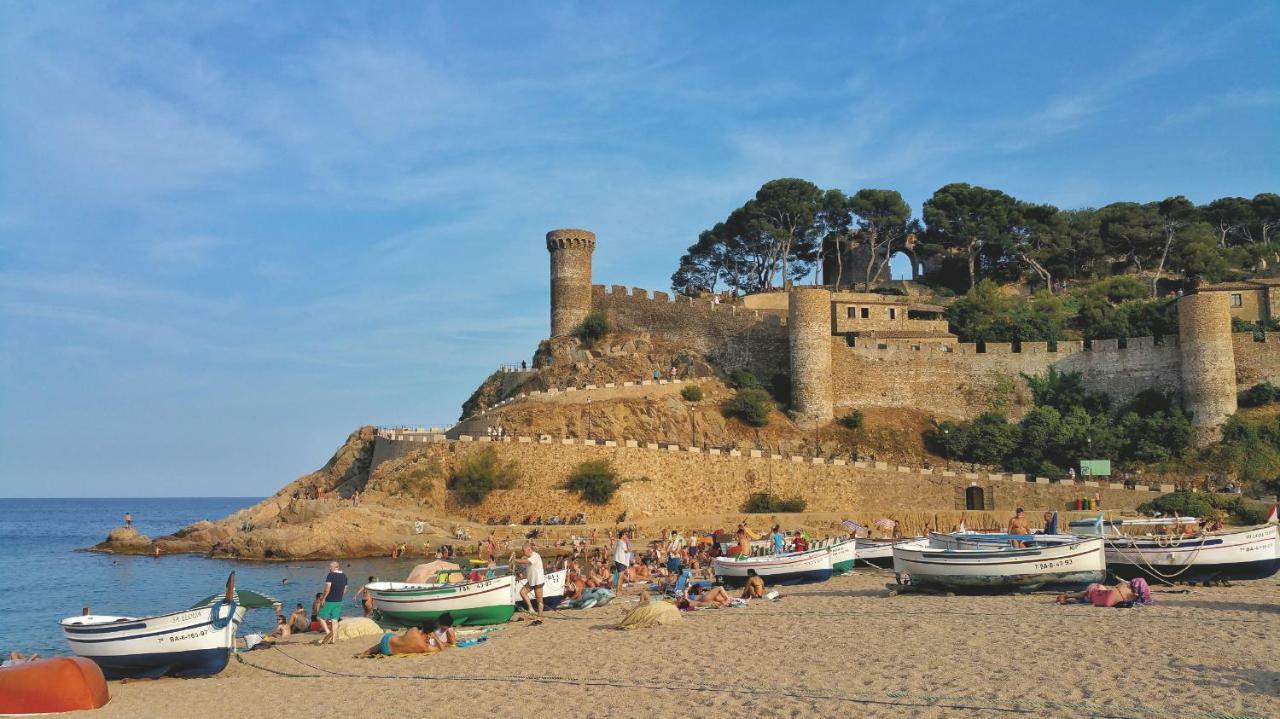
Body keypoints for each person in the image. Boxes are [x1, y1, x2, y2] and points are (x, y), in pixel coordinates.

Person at [1057, 578, 1152, 608]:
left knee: (1088, 593)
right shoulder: (1134, 597)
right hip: (1098, 600)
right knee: (1086, 597)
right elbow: (1145, 601)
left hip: (1096, 595)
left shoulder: (1123, 585)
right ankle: (1071, 598)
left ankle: (1069, 596)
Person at [511, 542, 545, 622]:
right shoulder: (527, 557)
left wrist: (515, 560)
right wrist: (518, 573)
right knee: (522, 592)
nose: (523, 552)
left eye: (524, 551)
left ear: (529, 549)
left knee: (539, 601)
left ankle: (540, 616)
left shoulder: (535, 556)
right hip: (531, 581)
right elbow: (524, 566)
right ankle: (531, 609)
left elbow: (527, 562)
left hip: (538, 581)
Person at [317, 561, 348, 645]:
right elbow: (345, 590)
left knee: (320, 617)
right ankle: (333, 639)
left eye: (330, 567)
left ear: (334, 567)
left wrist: (323, 598)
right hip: (339, 600)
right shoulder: (344, 576)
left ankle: (327, 632)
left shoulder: (330, 575)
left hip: (330, 600)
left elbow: (327, 589)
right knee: (334, 620)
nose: (329, 569)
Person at [361, 624, 438, 657]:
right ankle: (368, 652)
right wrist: (436, 637)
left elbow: (405, 637)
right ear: (429, 634)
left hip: (387, 639)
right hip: (388, 652)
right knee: (389, 645)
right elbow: (440, 648)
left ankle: (366, 652)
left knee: (394, 639)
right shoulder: (424, 647)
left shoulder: (414, 630)